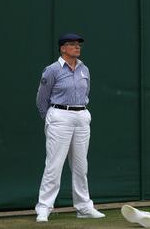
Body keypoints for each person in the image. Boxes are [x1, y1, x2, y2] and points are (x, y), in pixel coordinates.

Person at [35, 33, 105, 222]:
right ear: (63, 48)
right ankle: (44, 208)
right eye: (72, 44)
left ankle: (84, 207)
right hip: (60, 116)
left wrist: (81, 113)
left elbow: (86, 92)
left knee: (81, 166)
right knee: (54, 165)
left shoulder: (84, 69)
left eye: (78, 44)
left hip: (81, 116)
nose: (77, 47)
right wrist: (51, 117)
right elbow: (41, 98)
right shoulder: (52, 70)